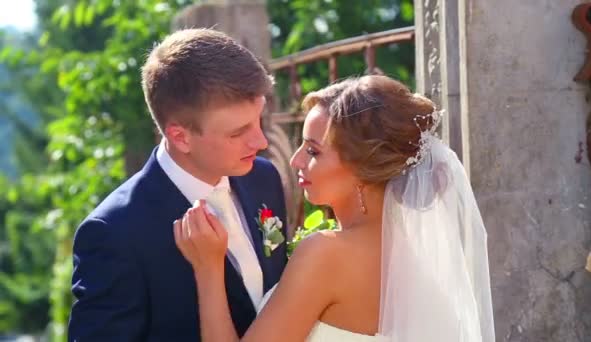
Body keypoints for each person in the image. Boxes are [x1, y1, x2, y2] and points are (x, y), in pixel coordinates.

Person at [175, 75, 496, 341]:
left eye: (313, 151)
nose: (295, 160)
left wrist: (208, 269)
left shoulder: (325, 255)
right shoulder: (422, 264)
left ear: (362, 165)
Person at [68, 28, 288, 341]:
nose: (262, 140)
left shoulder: (264, 178)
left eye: (259, 122)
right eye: (238, 133)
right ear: (180, 136)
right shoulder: (114, 232)